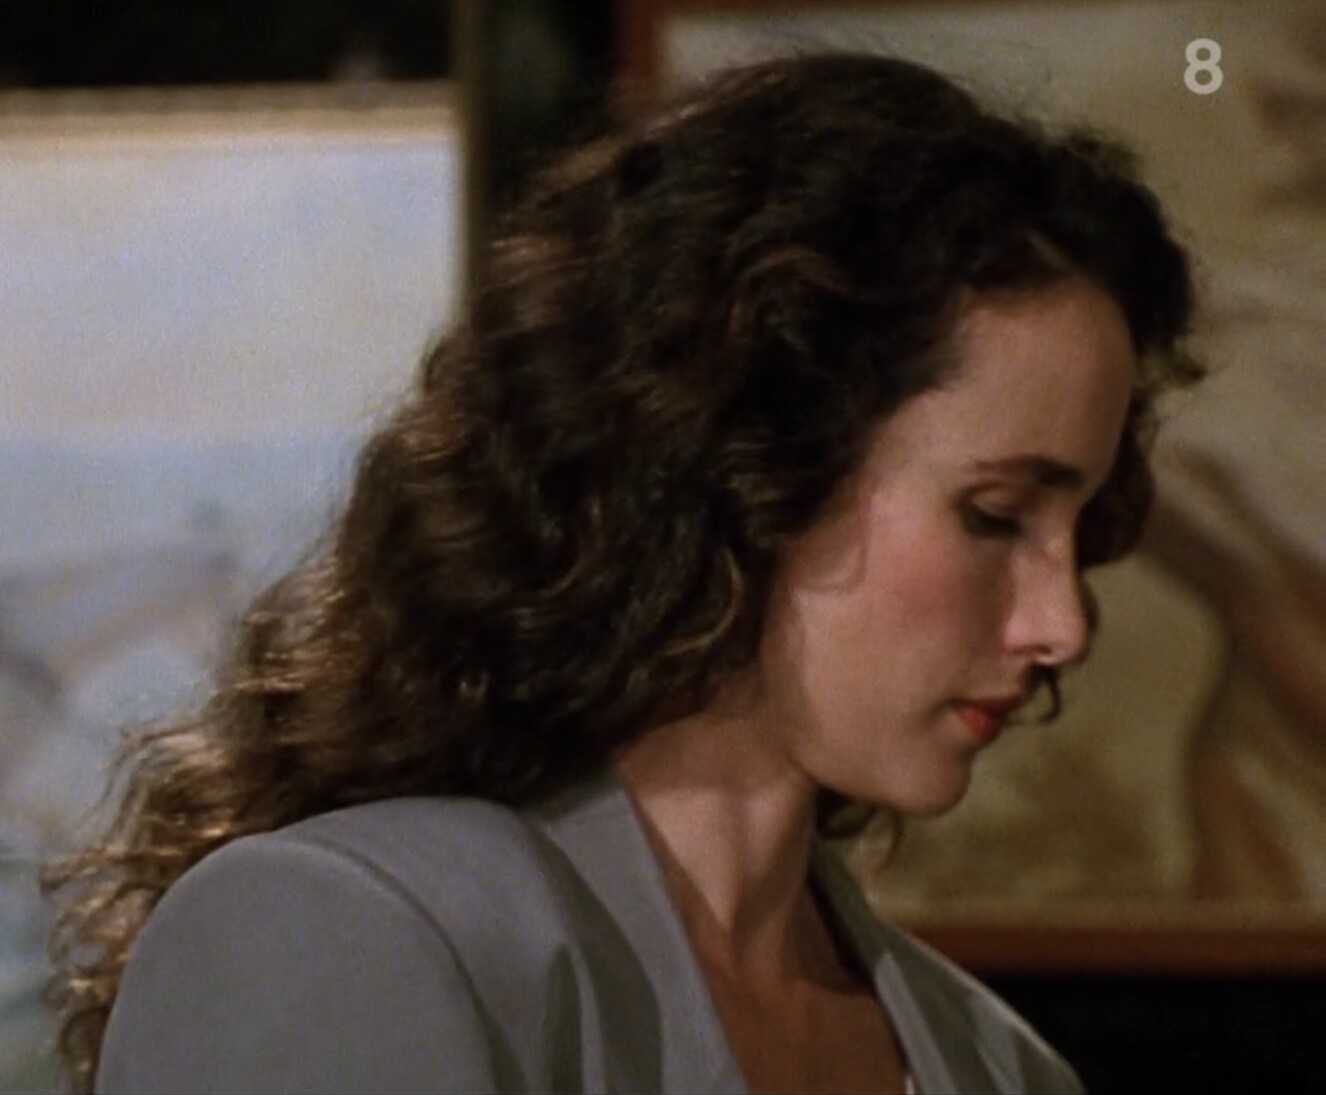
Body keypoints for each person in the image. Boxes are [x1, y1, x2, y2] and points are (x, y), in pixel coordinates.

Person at [44, 51, 1201, 1094]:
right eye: (995, 516)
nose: (1063, 623)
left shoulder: (993, 1060)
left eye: (1082, 530)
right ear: (751, 458)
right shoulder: (354, 932)